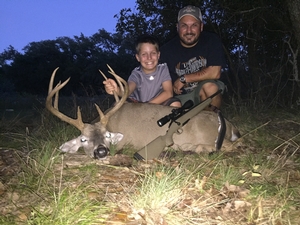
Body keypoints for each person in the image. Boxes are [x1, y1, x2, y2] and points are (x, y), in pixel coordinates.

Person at [160, 5, 226, 109]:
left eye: (194, 25)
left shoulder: (211, 40)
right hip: (180, 98)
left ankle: (210, 121)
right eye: (184, 25)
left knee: (210, 88)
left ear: (201, 26)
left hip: (205, 91)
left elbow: (215, 72)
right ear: (177, 27)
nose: (189, 31)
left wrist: (184, 79)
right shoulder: (166, 50)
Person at [103, 34, 181, 107]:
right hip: (137, 105)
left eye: (153, 53)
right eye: (144, 54)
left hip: (157, 104)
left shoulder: (163, 69)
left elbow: (168, 93)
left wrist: (147, 106)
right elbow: (128, 90)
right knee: (117, 104)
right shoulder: (136, 74)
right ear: (138, 57)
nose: (149, 57)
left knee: (175, 104)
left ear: (158, 55)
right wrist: (117, 90)